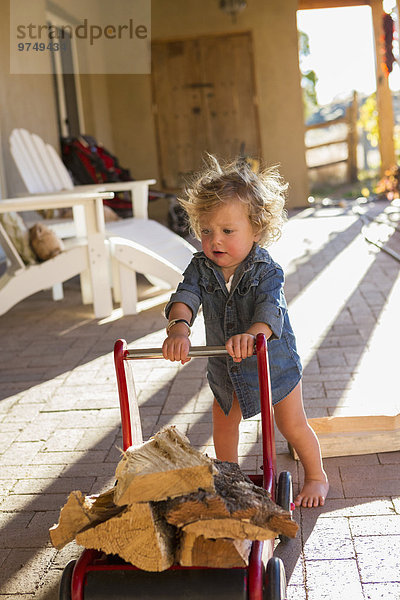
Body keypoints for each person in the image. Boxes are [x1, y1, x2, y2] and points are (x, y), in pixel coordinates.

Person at [162, 155, 328, 508]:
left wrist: (253, 334)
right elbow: (186, 296)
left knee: (292, 425)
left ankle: (316, 476)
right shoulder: (201, 267)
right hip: (225, 366)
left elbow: (270, 310)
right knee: (223, 425)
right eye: (206, 231)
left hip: (273, 363)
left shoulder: (267, 270)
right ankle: (231, 483)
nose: (214, 241)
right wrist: (179, 327)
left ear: (256, 229)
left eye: (227, 231)